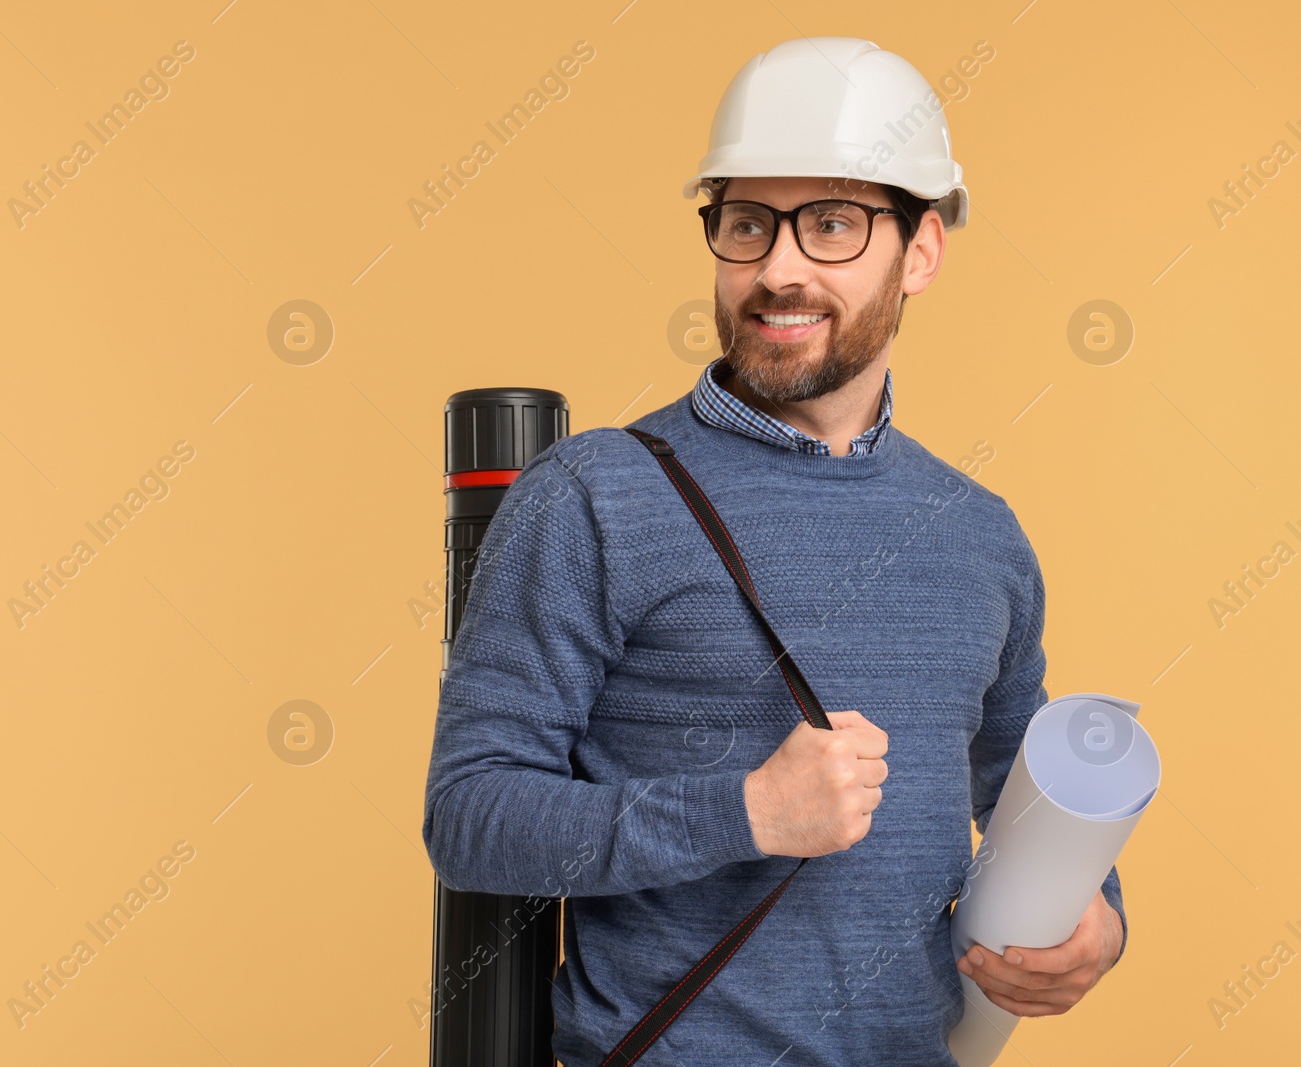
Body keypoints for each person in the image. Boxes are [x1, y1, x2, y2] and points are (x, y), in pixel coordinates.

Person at [422, 37, 1125, 1066]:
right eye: (747, 223)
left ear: (920, 250)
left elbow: (1023, 788)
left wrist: (1095, 920)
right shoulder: (592, 497)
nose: (777, 267)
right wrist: (743, 809)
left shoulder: (980, 533)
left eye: (831, 223)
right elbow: (473, 815)